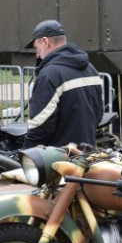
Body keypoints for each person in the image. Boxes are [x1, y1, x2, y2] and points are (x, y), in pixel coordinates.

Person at [23, 20, 104, 148]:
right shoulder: (91, 69)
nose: (37, 54)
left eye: (36, 48)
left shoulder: (50, 75)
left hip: (59, 159)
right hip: (87, 153)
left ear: (45, 42)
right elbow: (98, 113)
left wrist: (27, 154)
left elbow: (40, 125)